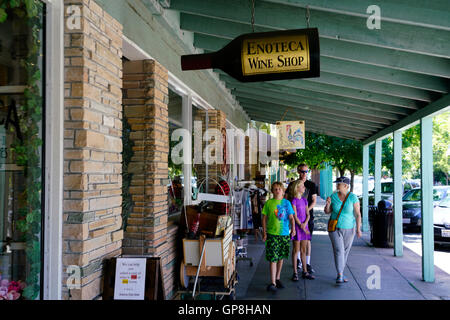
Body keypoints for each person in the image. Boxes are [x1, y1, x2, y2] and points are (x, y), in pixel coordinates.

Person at [324, 177, 362, 284]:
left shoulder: (353, 197)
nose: (337, 185)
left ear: (346, 186)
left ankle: (341, 272)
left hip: (349, 228)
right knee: (339, 250)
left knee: (345, 251)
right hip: (334, 228)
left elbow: (358, 214)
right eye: (336, 184)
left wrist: (358, 229)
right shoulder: (333, 196)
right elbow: (327, 211)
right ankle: (340, 274)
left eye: (339, 184)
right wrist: (327, 204)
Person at [262, 182, 296, 292]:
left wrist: (293, 229)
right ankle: (272, 282)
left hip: (284, 234)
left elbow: (291, 218)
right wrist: (265, 232)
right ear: (272, 191)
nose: (277, 191)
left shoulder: (287, 203)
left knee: (281, 257)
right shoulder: (268, 203)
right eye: (275, 189)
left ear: (283, 190)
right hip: (272, 234)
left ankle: (277, 278)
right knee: (273, 258)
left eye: (279, 189)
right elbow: (264, 218)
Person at [286, 164, 318, 273]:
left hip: (307, 217)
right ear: (298, 172)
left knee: (307, 240)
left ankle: (307, 264)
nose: (304, 173)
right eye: (302, 171)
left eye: (306, 171)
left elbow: (314, 201)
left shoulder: (311, 185)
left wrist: (306, 212)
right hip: (295, 217)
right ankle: (298, 261)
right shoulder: (292, 184)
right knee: (297, 241)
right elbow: (286, 199)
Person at [288, 180, 315, 281]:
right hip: (298, 227)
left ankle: (305, 271)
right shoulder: (293, 201)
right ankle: (295, 272)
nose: (304, 188)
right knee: (296, 250)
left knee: (304, 250)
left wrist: (305, 224)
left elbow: (308, 214)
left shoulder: (305, 200)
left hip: (305, 227)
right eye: (302, 186)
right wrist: (300, 225)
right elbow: (294, 216)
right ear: (297, 188)